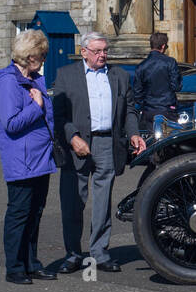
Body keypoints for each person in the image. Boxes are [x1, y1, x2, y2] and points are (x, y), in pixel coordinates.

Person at [52, 31, 145, 273]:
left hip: (107, 143)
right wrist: (72, 137)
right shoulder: (66, 75)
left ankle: (100, 253)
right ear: (84, 52)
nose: (103, 55)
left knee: (103, 203)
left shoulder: (120, 76)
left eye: (105, 50)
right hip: (78, 145)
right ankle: (72, 254)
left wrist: (133, 133)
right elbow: (58, 114)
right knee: (73, 202)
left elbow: (130, 111)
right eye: (97, 51)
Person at [0, 29, 59, 285]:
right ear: (30, 55)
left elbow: (48, 117)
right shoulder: (8, 82)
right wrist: (37, 106)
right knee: (19, 213)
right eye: (41, 55)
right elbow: (11, 123)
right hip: (21, 161)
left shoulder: (34, 80)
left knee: (35, 212)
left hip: (40, 158)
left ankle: (31, 262)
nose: (43, 60)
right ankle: (15, 267)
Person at [132, 32, 180, 132]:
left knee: (152, 142)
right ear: (163, 46)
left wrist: (145, 104)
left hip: (149, 110)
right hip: (167, 109)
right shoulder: (170, 62)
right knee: (171, 142)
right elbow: (176, 86)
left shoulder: (141, 66)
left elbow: (137, 92)